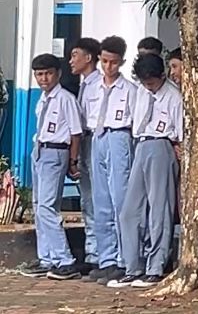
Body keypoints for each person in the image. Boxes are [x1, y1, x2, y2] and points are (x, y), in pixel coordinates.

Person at [108, 54, 182, 289]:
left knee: (159, 209)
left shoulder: (173, 96)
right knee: (129, 211)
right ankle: (132, 266)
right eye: (144, 82)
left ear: (162, 76)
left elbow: (180, 132)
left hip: (162, 145)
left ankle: (155, 266)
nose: (148, 86)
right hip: (141, 143)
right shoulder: (141, 91)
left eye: (151, 82)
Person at [18, 54, 84, 280]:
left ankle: (65, 260)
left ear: (58, 74)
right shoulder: (43, 99)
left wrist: (72, 160)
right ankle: (46, 258)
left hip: (56, 151)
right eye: (39, 74)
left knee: (48, 206)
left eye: (48, 73)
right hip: (40, 150)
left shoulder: (65, 99)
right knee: (38, 205)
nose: (44, 79)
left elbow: (76, 132)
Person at [83, 36, 136, 283]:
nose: (108, 67)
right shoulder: (92, 87)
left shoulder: (130, 90)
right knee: (100, 199)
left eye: (113, 62)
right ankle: (106, 259)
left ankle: (124, 259)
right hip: (98, 137)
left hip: (119, 136)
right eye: (104, 61)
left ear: (121, 62)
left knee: (120, 198)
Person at [69, 37, 102, 273]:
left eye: (75, 55)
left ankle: (99, 253)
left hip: (94, 139)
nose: (71, 61)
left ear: (88, 58)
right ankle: (92, 251)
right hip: (84, 141)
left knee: (98, 198)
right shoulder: (84, 85)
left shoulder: (99, 84)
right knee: (87, 199)